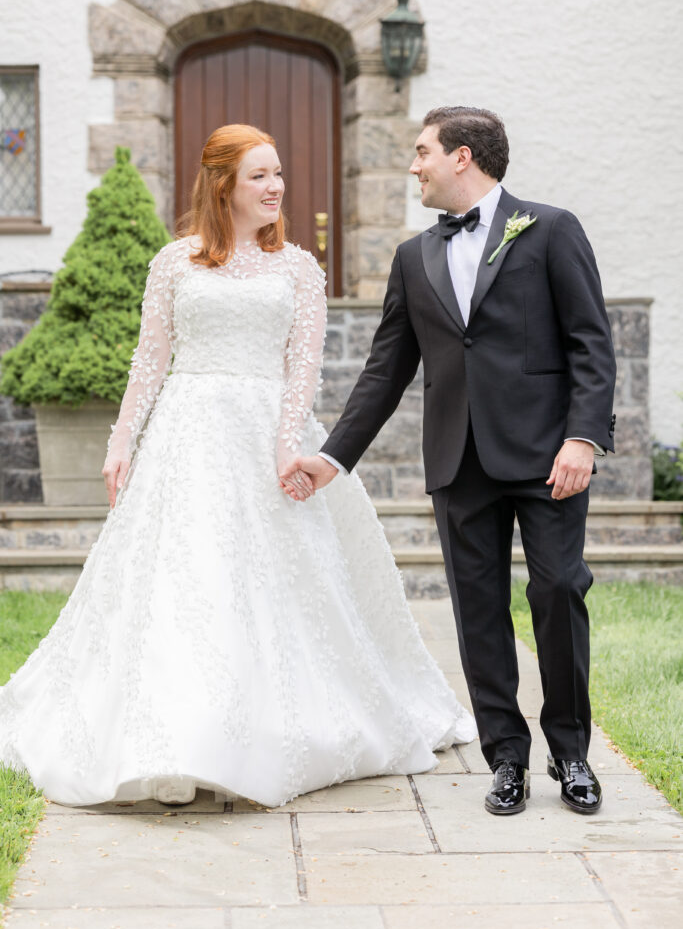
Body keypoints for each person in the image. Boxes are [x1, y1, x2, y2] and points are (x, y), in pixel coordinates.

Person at [0, 124, 476, 809]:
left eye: (278, 173)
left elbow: (300, 368)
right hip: (186, 438)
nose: (275, 186)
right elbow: (149, 361)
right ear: (221, 182)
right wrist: (120, 442)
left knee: (270, 584)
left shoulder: (298, 269)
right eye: (258, 175)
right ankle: (169, 740)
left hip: (265, 436)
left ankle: (258, 727)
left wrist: (289, 444)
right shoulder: (173, 262)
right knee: (183, 582)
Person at [281, 106, 616, 816]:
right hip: (457, 460)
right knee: (477, 612)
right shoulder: (412, 257)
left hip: (547, 457)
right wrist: (330, 458)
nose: (413, 165)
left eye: (421, 151)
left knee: (558, 591)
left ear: (462, 157)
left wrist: (582, 439)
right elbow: (384, 371)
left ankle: (570, 750)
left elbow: (590, 342)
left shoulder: (550, 229)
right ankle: (506, 758)